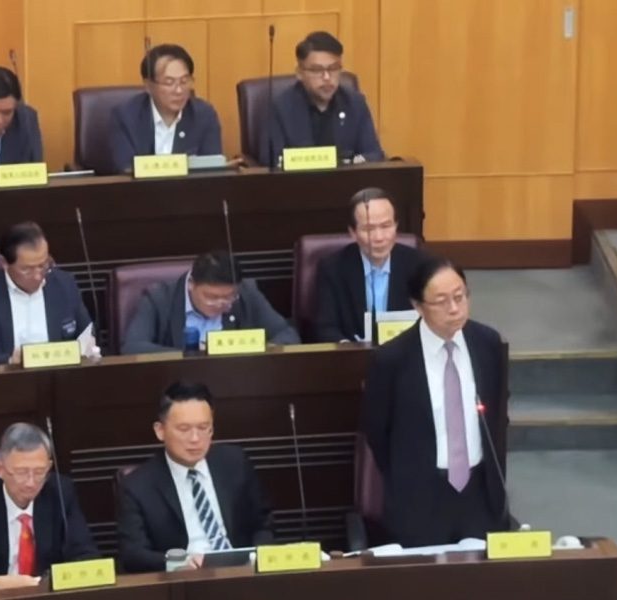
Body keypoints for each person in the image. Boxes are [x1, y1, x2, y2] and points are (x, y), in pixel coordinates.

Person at [360, 257, 510, 547]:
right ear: (418, 306)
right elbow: (377, 432)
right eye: (441, 301)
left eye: (460, 296)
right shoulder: (392, 359)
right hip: (419, 501)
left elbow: (498, 417)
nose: (454, 308)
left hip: (480, 496)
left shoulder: (488, 343)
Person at [117, 382, 273, 573]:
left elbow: (263, 525)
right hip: (183, 580)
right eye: (184, 429)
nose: (195, 439)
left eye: (203, 427)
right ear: (160, 431)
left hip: (241, 572)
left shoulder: (235, 463)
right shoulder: (137, 485)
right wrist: (177, 563)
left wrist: (256, 558)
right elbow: (133, 554)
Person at [0, 422, 98, 589]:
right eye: (22, 473)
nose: (31, 483)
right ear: (0, 469)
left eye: (39, 472)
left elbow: (87, 556)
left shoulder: (61, 493)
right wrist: (3, 584)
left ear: (49, 467)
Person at [0, 222, 95, 367]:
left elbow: (86, 333)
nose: (37, 276)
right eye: (26, 270)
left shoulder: (64, 284)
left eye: (43, 265)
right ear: (4, 263)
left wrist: (88, 347)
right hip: (8, 377)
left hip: (60, 374)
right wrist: (10, 360)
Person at [120, 250, 299, 354]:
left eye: (229, 296)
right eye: (211, 297)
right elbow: (133, 347)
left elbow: (287, 334)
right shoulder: (159, 298)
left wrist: (260, 349)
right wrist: (193, 355)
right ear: (191, 284)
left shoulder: (247, 293)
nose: (221, 303)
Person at [312, 187, 425, 342]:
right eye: (368, 229)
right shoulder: (332, 268)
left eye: (386, 226)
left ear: (396, 226)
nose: (379, 237)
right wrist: (349, 349)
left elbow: (432, 320)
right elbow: (325, 328)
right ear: (353, 232)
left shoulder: (420, 265)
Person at [259, 31, 384, 168]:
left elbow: (374, 154)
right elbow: (272, 161)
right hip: (298, 181)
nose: (327, 77)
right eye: (317, 70)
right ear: (299, 73)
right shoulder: (281, 107)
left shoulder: (355, 103)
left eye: (333, 68)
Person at [108, 44, 222, 174]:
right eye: (169, 82)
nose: (179, 90)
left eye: (184, 81)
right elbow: (126, 170)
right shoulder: (125, 117)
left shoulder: (204, 116)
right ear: (148, 86)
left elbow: (211, 171)